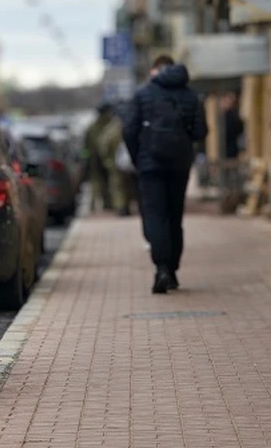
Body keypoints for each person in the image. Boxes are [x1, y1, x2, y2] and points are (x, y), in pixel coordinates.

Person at [122, 55, 208, 294]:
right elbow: (201, 131)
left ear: (155, 70)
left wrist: (138, 157)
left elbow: (129, 129)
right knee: (174, 216)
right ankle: (172, 270)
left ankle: (161, 267)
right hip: (179, 164)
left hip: (150, 164)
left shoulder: (143, 94)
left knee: (155, 215)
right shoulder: (191, 95)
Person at [96, 110, 131, 216]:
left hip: (114, 163)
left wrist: (107, 160)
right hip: (129, 163)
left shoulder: (110, 130)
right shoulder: (128, 126)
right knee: (129, 186)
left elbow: (103, 145)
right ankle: (127, 207)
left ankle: (122, 208)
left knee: (117, 187)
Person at [84, 101, 115, 211]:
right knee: (110, 181)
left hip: (95, 159)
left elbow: (86, 146)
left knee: (97, 182)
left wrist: (86, 158)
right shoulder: (111, 124)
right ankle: (109, 203)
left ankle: (96, 206)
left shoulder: (92, 127)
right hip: (107, 158)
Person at [221, 92, 245, 212]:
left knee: (233, 179)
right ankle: (227, 202)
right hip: (225, 152)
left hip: (232, 151)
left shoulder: (233, 115)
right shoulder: (223, 115)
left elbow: (239, 129)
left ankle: (232, 202)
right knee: (226, 179)